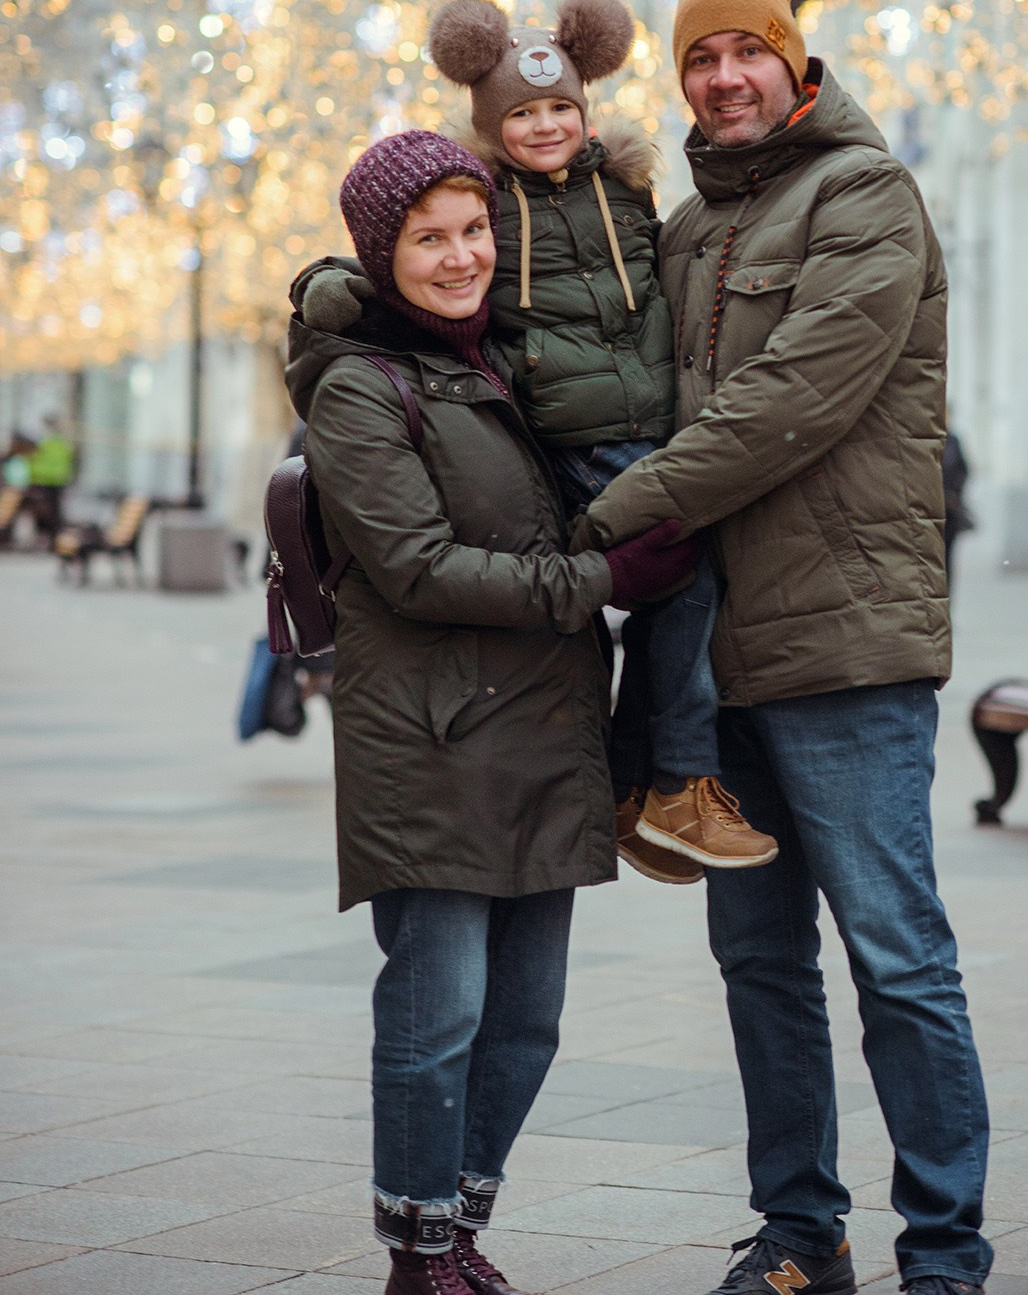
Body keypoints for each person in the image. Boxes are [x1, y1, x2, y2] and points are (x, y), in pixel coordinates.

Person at [572, 0, 991, 1295]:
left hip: (845, 642)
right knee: (759, 961)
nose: (723, 77)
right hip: (716, 657)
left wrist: (609, 516)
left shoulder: (865, 196)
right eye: (699, 60)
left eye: (745, 52)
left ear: (793, 65)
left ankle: (946, 1254)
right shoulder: (690, 230)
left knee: (896, 955)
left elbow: (785, 408)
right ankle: (800, 1234)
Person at [285, 130, 697, 1295]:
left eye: (475, 230)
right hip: (431, 738)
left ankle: (458, 1226)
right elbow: (415, 565)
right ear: (384, 252)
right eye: (429, 238)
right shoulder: (360, 386)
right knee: (439, 1016)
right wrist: (599, 584)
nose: (460, 256)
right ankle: (418, 1256)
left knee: (526, 1021)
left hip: (544, 730)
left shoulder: (511, 363)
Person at [425, 0, 776, 881]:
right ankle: (676, 781)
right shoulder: (483, 201)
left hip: (648, 422)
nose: (544, 126)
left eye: (559, 108)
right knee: (683, 577)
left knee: (677, 591)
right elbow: (413, 256)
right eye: (523, 112)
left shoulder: (626, 190)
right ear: (488, 118)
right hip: (572, 434)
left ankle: (639, 790)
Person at [26, 416, 75, 542]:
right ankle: (52, 538)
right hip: (57, 480)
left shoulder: (44, 440)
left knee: (43, 512)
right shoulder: (63, 442)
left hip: (42, 479)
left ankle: (45, 537)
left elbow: (33, 458)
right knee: (53, 511)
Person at [942, 426, 972, 593]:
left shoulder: (953, 440)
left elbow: (964, 470)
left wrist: (954, 493)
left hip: (950, 512)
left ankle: (946, 602)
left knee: (947, 559)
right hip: (927, 510)